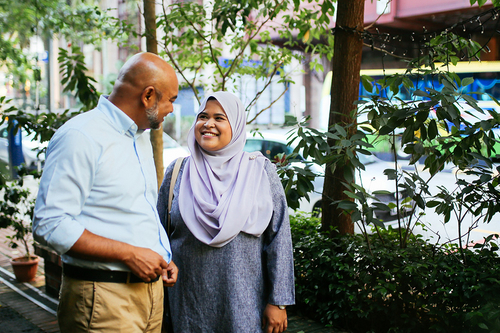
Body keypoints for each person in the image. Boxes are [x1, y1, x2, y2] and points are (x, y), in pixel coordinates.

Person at [33, 52, 179, 333]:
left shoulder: (140, 137)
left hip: (150, 297)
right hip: (102, 299)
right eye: (171, 99)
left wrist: (162, 255)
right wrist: (129, 254)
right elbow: (49, 224)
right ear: (148, 96)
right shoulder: (81, 136)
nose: (172, 108)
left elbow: (132, 211)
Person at [157, 91, 295, 333]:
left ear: (236, 125)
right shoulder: (178, 172)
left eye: (219, 118)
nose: (208, 124)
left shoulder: (260, 172)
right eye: (203, 116)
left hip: (244, 304)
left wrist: (278, 301)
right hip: (187, 304)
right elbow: (158, 233)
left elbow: (279, 239)